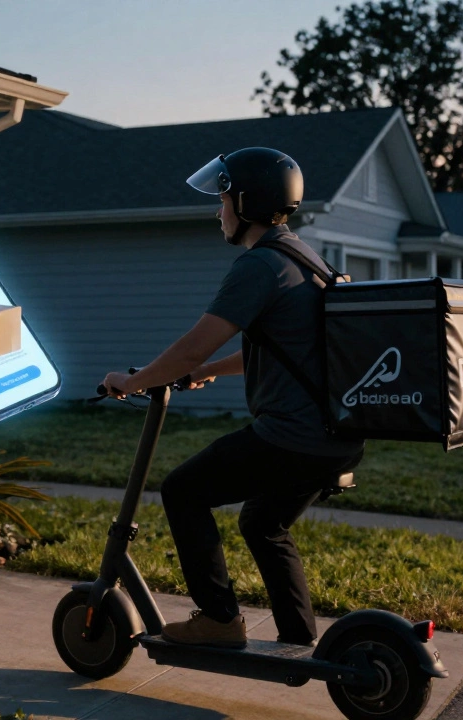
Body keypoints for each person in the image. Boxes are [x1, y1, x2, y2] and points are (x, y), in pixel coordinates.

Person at [101, 148, 365, 649]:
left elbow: (193, 343)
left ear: (246, 202)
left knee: (183, 490)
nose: (217, 210)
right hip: (337, 437)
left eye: (222, 198)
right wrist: (208, 371)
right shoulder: (303, 257)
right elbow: (282, 346)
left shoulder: (260, 265)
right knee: (263, 522)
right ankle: (297, 636)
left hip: (293, 438)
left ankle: (219, 621)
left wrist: (132, 381)